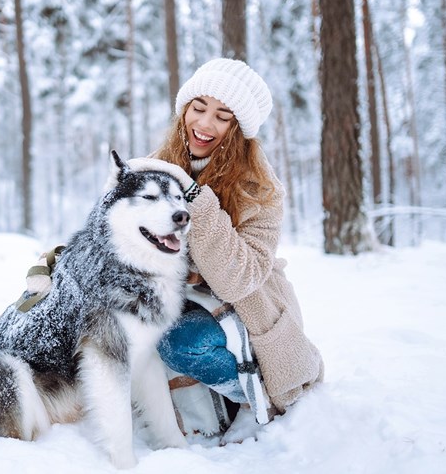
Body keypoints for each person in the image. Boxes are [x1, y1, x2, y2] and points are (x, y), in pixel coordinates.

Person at [128, 57, 324, 438]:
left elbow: (238, 280)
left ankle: (253, 398)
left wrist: (197, 201)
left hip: (244, 307)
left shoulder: (259, 188)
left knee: (181, 342)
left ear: (239, 129)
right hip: (176, 295)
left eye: (222, 116)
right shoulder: (157, 165)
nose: (203, 124)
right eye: (197, 108)